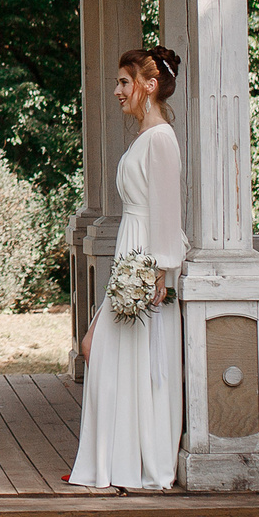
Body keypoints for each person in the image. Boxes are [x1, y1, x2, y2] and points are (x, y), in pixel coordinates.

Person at [66, 44, 187, 492]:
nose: (116, 90)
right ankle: (116, 458)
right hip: (129, 253)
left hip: (145, 260)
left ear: (149, 86)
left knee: (130, 357)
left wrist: (159, 272)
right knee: (96, 346)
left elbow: (167, 212)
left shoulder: (160, 139)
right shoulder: (144, 137)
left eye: (123, 82)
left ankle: (141, 462)